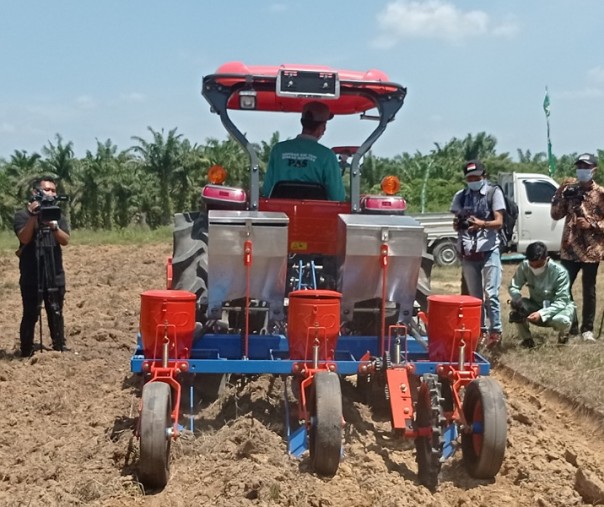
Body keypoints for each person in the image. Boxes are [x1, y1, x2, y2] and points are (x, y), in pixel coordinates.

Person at [450, 160, 505, 348]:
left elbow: (499, 222)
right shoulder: (461, 196)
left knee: (491, 293)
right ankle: (479, 331)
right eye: (470, 178)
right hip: (468, 251)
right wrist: (460, 223)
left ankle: (495, 331)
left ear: (484, 176)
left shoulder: (493, 193)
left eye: (476, 177)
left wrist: (482, 224)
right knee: (475, 298)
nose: (473, 180)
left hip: (489, 248)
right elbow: (456, 220)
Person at [13, 176, 70, 357]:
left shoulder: (57, 214)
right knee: (30, 312)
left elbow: (65, 240)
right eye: (47, 189)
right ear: (36, 192)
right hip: (32, 274)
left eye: (54, 190)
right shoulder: (22, 215)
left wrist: (53, 226)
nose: (51, 193)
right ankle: (26, 349)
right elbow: (24, 238)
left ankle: (59, 345)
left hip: (54, 273)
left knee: (56, 310)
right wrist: (33, 217)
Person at [550, 153, 604, 342]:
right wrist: (560, 193)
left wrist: (592, 225)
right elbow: (555, 215)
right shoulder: (569, 191)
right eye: (579, 167)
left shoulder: (601, 194)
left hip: (591, 250)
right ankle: (570, 325)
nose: (582, 170)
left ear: (594, 170)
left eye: (586, 167)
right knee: (564, 287)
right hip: (569, 247)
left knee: (589, 290)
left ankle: (587, 329)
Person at [262, 101, 346, 201]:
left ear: (302, 122)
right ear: (323, 127)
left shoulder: (278, 150)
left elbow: (267, 191)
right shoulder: (327, 156)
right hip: (316, 215)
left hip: (281, 213)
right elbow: (337, 197)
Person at [508, 241, 576, 348]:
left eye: (539, 265)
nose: (535, 268)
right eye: (532, 265)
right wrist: (516, 297)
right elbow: (514, 286)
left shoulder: (560, 273)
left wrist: (541, 314)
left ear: (546, 258)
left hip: (558, 309)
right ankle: (527, 340)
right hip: (536, 304)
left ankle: (563, 338)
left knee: (561, 320)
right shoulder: (524, 266)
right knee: (517, 309)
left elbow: (562, 301)